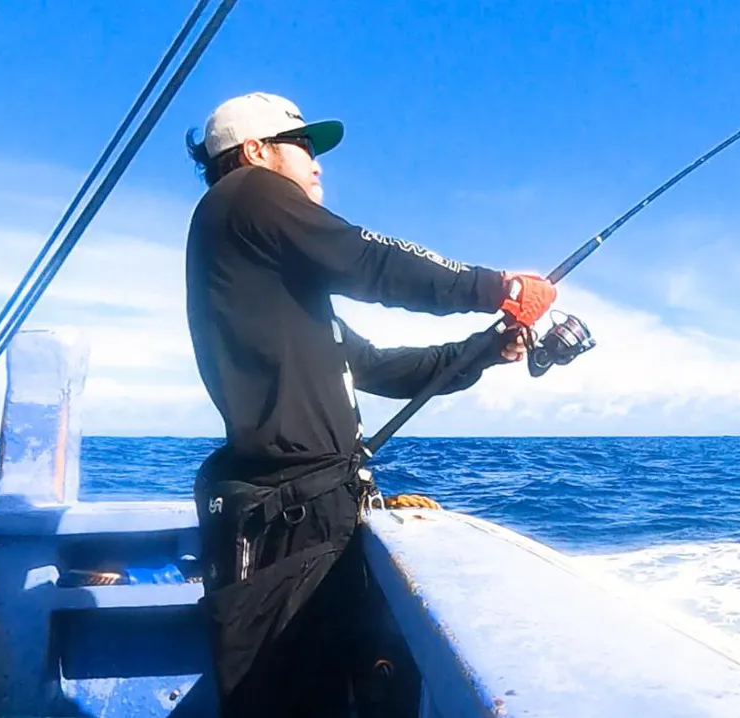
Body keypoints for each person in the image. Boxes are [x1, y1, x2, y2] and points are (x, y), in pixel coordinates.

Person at [182, 92, 558, 716]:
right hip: (289, 523)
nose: (316, 163)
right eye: (301, 145)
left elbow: (379, 367)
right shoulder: (248, 193)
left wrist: (486, 349)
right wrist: (499, 287)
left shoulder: (276, 284)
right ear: (252, 152)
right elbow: (368, 259)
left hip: (307, 516)